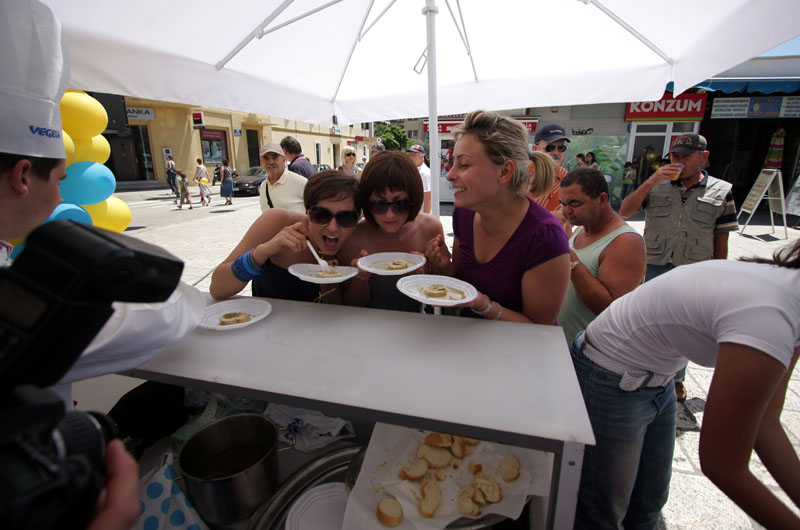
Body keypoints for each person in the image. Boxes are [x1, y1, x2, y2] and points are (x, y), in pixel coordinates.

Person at [571, 238, 800, 530]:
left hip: (659, 378)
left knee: (648, 505)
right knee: (602, 514)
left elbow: (766, 425)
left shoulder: (789, 299)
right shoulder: (771, 316)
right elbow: (723, 465)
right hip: (609, 377)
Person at [619, 133, 737, 401]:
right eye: (674, 155)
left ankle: (676, 378)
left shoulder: (721, 190)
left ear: (703, 158)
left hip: (694, 270)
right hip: (654, 265)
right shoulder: (657, 184)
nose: (678, 161)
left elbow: (722, 237)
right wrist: (651, 180)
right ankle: (643, 369)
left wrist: (720, 278)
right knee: (647, 321)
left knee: (686, 328)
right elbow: (625, 211)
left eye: (685, 156)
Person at [425, 110, 570, 324]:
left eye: (463, 164)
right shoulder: (464, 213)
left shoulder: (544, 237)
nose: (451, 174)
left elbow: (540, 329)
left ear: (504, 172)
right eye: (453, 163)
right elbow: (462, 282)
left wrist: (484, 306)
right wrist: (445, 266)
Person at [210, 170, 361, 303]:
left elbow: (340, 312)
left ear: (358, 218)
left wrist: (331, 282)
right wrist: (263, 251)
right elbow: (218, 289)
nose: (333, 227)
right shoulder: (277, 222)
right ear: (307, 212)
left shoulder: (354, 244)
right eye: (321, 215)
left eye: (346, 217)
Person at [340, 151, 445, 312]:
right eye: (379, 204)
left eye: (400, 203)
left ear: (414, 199)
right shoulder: (354, 236)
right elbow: (350, 305)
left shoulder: (430, 229)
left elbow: (443, 293)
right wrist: (360, 279)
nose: (389, 214)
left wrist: (425, 274)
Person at [556, 168, 645, 341]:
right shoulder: (582, 227)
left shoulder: (625, 242)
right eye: (563, 204)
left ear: (602, 200)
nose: (566, 211)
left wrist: (570, 258)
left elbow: (610, 309)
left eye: (575, 203)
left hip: (592, 357)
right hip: (567, 345)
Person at [530, 123, 570, 213]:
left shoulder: (566, 177)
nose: (556, 153)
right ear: (535, 149)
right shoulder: (522, 177)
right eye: (550, 147)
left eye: (561, 148)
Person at [258, 142, 307, 214]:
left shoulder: (300, 182)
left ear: (284, 160)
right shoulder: (264, 186)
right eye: (266, 158)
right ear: (261, 162)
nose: (271, 162)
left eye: (275, 157)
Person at [407, 144, 432, 214]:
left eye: (414, 154)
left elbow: (428, 197)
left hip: (419, 214)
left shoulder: (424, 173)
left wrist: (426, 217)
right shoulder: (413, 170)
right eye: (410, 154)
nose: (411, 157)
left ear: (422, 156)